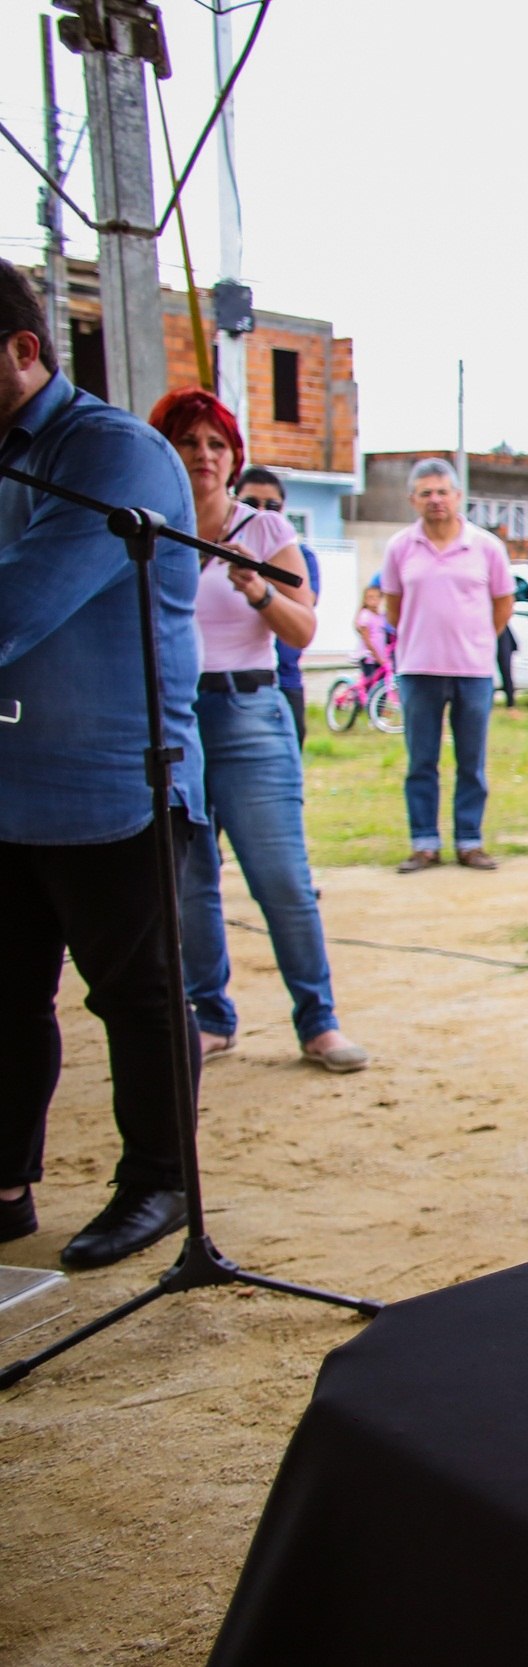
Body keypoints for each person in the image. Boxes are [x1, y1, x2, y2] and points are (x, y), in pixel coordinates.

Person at [0, 261, 206, 1269]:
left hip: (108, 780)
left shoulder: (107, 452)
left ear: (23, 350)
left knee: (133, 993)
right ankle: (4, 1180)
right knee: (1, 995)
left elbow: (15, 606)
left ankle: (160, 1181)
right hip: (7, 778)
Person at [149, 390, 369, 1076]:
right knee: (189, 880)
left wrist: (259, 591)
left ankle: (319, 1020)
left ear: (233, 458)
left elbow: (302, 630)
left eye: (217, 445)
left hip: (247, 711)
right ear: (167, 452)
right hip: (172, 717)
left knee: (281, 877)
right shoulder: (150, 532)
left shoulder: (268, 532)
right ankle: (210, 1014)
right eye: (190, 443)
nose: (205, 456)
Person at [381, 458, 515, 873]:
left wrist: (476, 641)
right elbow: (393, 607)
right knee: (421, 760)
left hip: (472, 670)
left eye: (442, 492)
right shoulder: (401, 547)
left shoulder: (486, 547)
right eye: (426, 493)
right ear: (413, 500)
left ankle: (469, 841)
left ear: (458, 497)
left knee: (471, 762)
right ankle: (424, 842)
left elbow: (502, 603)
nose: (435, 500)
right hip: (419, 668)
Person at [237, 466, 319, 745]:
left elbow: (303, 608)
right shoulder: (217, 554)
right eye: (250, 503)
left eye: (272, 506)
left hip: (285, 679)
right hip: (235, 685)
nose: (261, 513)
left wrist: (256, 580)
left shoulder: (302, 557)